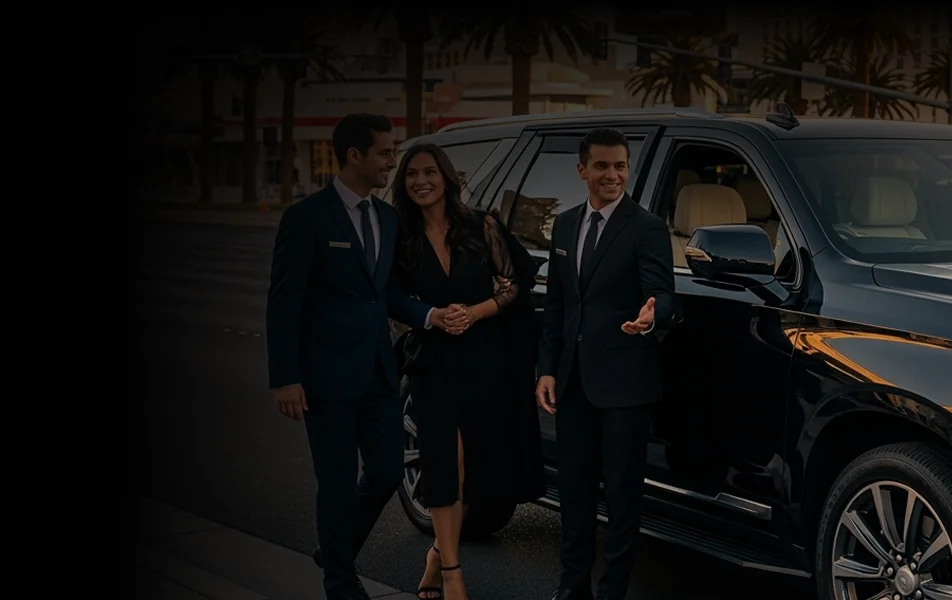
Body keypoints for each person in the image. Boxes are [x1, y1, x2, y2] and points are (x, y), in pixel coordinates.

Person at [267, 113, 453, 600]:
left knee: (389, 470)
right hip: (324, 377)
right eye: (386, 153)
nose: (393, 162)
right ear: (355, 156)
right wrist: (285, 377)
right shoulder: (306, 218)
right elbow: (284, 303)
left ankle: (335, 549)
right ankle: (341, 583)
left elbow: (385, 292)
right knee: (335, 482)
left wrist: (431, 315)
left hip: (378, 372)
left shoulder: (386, 218)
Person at [388, 143, 545, 599]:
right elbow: (392, 295)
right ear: (404, 183)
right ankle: (454, 573)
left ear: (447, 178)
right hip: (431, 359)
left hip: (484, 357)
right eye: (412, 174)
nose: (422, 181)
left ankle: (437, 554)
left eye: (430, 172)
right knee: (443, 459)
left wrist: (477, 311)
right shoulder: (401, 237)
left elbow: (517, 282)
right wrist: (432, 315)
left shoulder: (482, 227)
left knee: (472, 463)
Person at [536, 128, 677, 600]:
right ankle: (571, 587)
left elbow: (661, 290)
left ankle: (612, 591)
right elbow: (558, 305)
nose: (612, 175)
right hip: (573, 382)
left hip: (625, 386)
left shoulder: (647, 227)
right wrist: (548, 369)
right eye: (602, 166)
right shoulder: (565, 225)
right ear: (582, 171)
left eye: (620, 166)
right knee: (573, 495)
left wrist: (653, 313)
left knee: (621, 499)